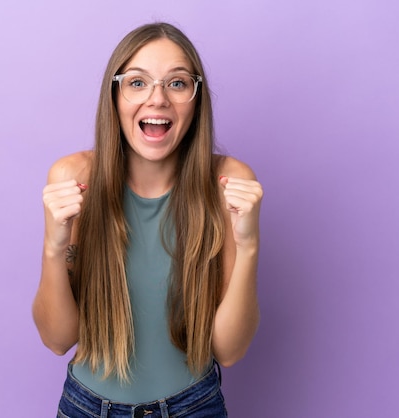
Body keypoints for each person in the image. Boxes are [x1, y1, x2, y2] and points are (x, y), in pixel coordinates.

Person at [32, 22, 263, 418]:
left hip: (195, 407)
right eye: (137, 83)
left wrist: (249, 246)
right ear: (115, 96)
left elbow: (230, 349)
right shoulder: (74, 179)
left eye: (176, 83)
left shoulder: (229, 183)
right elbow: (57, 339)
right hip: (88, 409)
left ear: (196, 98)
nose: (157, 99)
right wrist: (55, 248)